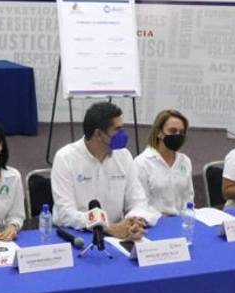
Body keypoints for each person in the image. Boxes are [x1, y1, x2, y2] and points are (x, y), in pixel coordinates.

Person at [51, 102, 158, 241]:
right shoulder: (65, 158)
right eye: (117, 129)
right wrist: (107, 227)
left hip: (119, 233)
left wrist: (134, 221)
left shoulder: (124, 155)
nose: (123, 134)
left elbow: (137, 200)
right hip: (78, 234)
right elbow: (65, 213)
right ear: (98, 134)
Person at [134, 109, 195, 216]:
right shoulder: (142, 163)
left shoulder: (185, 161)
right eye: (172, 131)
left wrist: (187, 217)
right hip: (154, 221)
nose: (178, 135)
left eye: (181, 132)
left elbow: (188, 197)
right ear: (159, 132)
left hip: (181, 220)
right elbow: (141, 204)